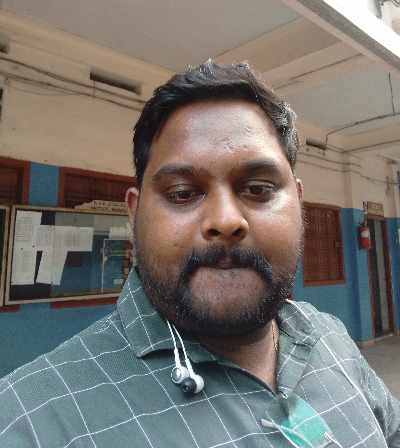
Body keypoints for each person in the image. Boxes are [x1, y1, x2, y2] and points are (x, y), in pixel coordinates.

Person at [0, 61, 399, 447]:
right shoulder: (30, 421)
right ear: (135, 215)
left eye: (258, 189)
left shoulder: (331, 337)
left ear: (298, 202)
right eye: (182, 193)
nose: (225, 221)